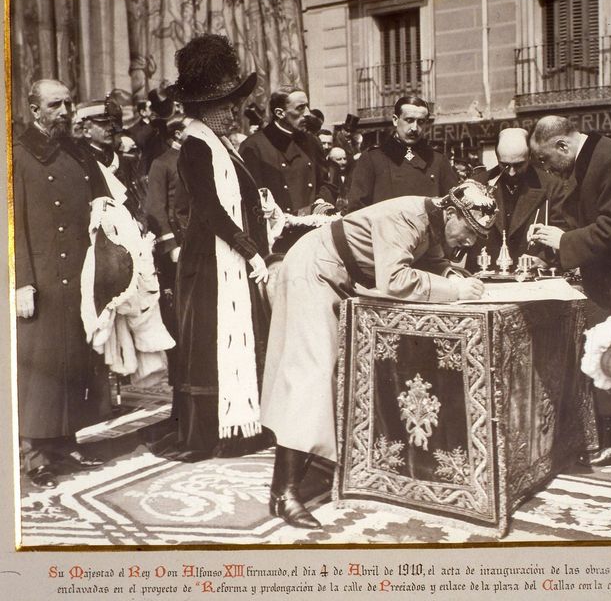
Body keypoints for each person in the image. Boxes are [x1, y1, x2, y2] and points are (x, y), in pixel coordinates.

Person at [261, 180, 496, 528]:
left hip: (336, 273)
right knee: (312, 372)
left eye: (478, 236)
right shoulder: (406, 217)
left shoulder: (432, 221)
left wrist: (451, 274)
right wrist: (455, 287)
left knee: (338, 370)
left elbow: (431, 262)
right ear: (450, 212)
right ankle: (284, 493)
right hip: (313, 269)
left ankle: (315, 460)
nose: (471, 241)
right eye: (469, 230)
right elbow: (396, 280)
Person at [165, 34, 271, 460]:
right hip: (209, 264)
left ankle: (242, 429)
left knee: (241, 340)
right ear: (207, 108)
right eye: (227, 105)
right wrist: (250, 249)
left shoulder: (223, 146)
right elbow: (208, 210)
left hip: (225, 256)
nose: (235, 112)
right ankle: (208, 435)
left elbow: (243, 201)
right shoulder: (196, 145)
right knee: (209, 345)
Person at [14, 79, 111, 489]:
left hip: (79, 276)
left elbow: (103, 203)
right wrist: (21, 282)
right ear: (35, 110)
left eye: (69, 104)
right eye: (56, 105)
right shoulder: (15, 157)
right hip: (42, 278)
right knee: (41, 369)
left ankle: (68, 441)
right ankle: (36, 454)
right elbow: (10, 225)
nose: (66, 111)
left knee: (73, 361)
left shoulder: (79, 153)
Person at [529, 115, 611, 467]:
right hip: (605, 280)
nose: (545, 168)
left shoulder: (610, 157)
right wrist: (549, 248)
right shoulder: (587, 159)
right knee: (607, 359)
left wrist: (564, 241)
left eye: (545, 159)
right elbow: (580, 221)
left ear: (563, 145)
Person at [465, 127, 564, 273]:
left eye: (518, 165)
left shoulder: (552, 186)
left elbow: (565, 231)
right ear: (497, 156)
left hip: (533, 278)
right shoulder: (475, 184)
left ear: (530, 155)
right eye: (504, 165)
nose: (511, 173)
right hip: (486, 277)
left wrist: (545, 259)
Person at [239, 85, 335, 219]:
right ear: (280, 113)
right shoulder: (253, 146)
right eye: (300, 108)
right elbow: (252, 198)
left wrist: (320, 203)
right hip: (278, 231)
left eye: (307, 106)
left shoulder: (312, 142)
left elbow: (326, 184)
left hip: (314, 225)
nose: (307, 113)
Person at [347, 96, 459, 212]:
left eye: (420, 122)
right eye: (409, 120)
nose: (415, 128)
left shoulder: (437, 160)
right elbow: (357, 210)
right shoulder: (373, 159)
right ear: (395, 120)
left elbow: (454, 207)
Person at [144, 117, 191, 388]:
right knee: (178, 315)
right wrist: (172, 246)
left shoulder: (195, 158)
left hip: (198, 246)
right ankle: (180, 379)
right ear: (177, 133)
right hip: (177, 250)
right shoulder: (162, 163)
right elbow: (155, 208)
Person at [327, 146, 350, 211]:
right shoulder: (329, 176)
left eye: (344, 158)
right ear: (331, 160)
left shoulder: (350, 173)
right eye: (339, 159)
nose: (343, 162)